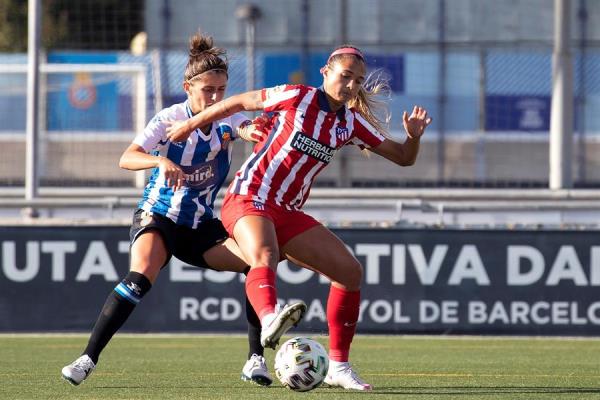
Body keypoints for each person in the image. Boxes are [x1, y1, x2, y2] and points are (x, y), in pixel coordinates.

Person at [166, 44, 432, 391]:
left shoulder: (350, 122)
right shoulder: (296, 96)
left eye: (358, 81)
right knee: (263, 255)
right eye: (345, 76)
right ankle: (269, 318)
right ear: (326, 73)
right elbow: (237, 103)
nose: (351, 85)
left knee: (350, 272)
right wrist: (191, 123)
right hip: (250, 195)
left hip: (287, 210)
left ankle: (338, 366)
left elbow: (403, 158)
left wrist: (412, 137)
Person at [61, 33, 279, 388]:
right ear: (188, 87)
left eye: (221, 89)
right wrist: (159, 160)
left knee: (256, 262)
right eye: (208, 90)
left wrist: (252, 130)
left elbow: (240, 127)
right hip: (159, 215)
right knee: (140, 276)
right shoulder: (169, 118)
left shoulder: (225, 117)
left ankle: (255, 360)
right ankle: (87, 358)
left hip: (199, 225)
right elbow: (126, 157)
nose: (215, 97)